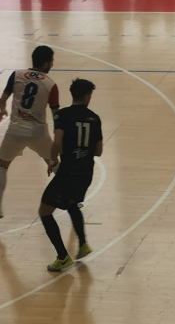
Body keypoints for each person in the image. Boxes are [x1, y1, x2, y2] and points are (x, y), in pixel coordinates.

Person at [39, 79, 103, 272]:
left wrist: (53, 160)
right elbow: (99, 151)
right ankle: (82, 244)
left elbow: (57, 142)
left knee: (44, 211)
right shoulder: (95, 118)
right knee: (71, 203)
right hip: (86, 173)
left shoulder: (62, 115)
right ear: (87, 96)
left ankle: (62, 257)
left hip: (68, 172)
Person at [0, 46, 59, 218]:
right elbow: (56, 116)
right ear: (46, 63)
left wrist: (2, 109)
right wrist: (59, 138)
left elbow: (3, 99)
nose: (52, 64)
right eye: (51, 61)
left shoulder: (16, 75)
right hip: (38, 133)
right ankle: (71, 197)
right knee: (55, 163)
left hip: (15, 131)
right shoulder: (50, 84)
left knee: (2, 166)